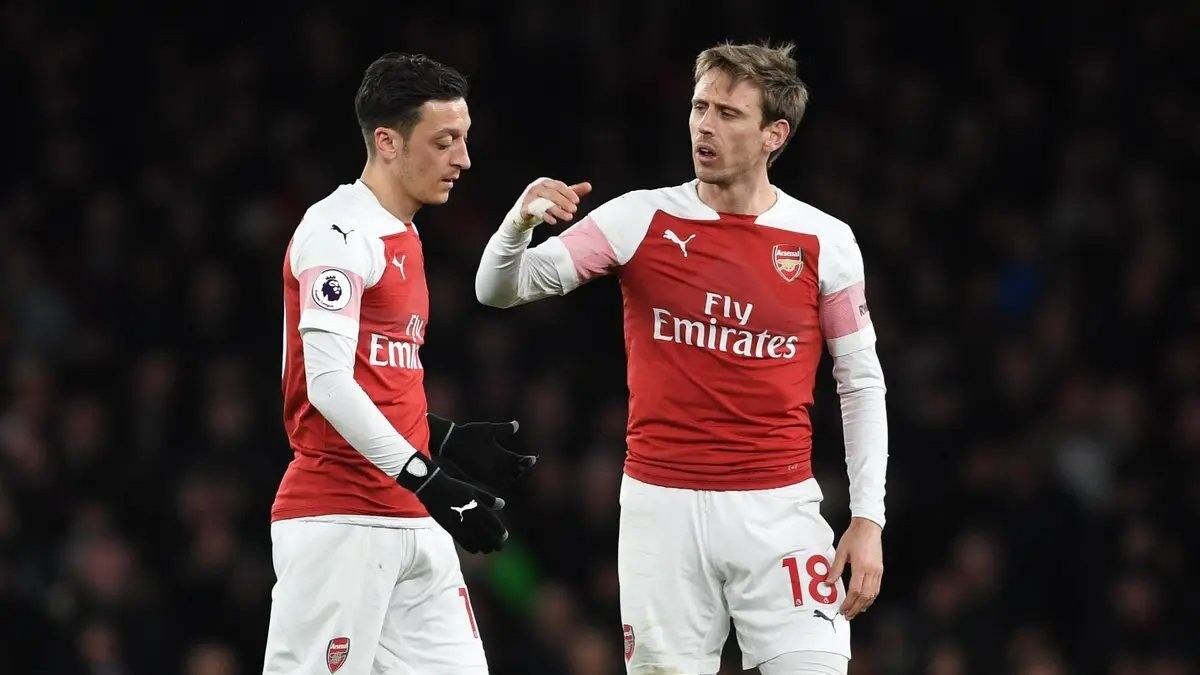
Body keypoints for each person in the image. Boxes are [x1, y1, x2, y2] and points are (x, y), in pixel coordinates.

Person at [476, 41, 887, 675]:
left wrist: (867, 519)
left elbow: (860, 383)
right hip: (661, 513)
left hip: (778, 513)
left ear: (774, 135)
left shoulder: (824, 241)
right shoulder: (639, 219)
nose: (704, 126)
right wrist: (519, 222)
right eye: (699, 107)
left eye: (728, 113)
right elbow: (498, 289)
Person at [264, 52, 537, 675]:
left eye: (464, 139)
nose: (463, 159)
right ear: (387, 142)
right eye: (445, 142)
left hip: (411, 517)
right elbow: (328, 385)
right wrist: (430, 478)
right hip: (339, 517)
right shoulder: (336, 233)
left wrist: (444, 437)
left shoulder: (404, 234)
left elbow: (376, 377)